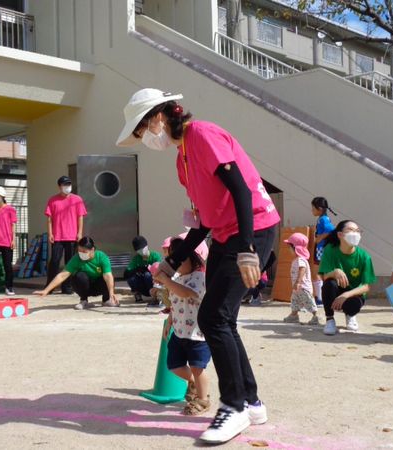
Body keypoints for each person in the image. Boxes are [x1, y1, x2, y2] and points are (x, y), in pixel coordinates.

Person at [117, 88, 280, 444]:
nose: (144, 138)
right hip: (223, 234)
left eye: (142, 130)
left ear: (158, 118)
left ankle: (233, 407)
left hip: (253, 227)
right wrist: (173, 260)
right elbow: (203, 221)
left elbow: (240, 189)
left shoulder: (202, 134)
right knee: (223, 319)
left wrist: (249, 249)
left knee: (212, 318)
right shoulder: (182, 157)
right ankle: (251, 402)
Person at [155, 237, 211, 416]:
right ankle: (193, 383)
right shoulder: (177, 278)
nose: (178, 264)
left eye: (182, 259)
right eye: (175, 260)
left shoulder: (200, 277)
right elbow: (175, 301)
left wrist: (166, 280)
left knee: (197, 367)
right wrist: (169, 322)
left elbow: (186, 293)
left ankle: (203, 399)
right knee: (174, 365)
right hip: (179, 332)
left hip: (197, 335)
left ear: (194, 258)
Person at [318, 220, 377, 335]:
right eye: (350, 230)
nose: (355, 233)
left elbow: (366, 286)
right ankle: (330, 319)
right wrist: (334, 272)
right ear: (340, 234)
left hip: (353, 293)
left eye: (357, 231)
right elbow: (324, 276)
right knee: (329, 284)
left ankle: (350, 315)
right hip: (336, 289)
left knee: (353, 305)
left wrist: (346, 295)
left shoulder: (364, 257)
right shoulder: (330, 250)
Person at [34, 236, 119, 309]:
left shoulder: (101, 256)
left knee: (110, 277)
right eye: (79, 251)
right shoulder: (76, 258)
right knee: (79, 276)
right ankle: (84, 300)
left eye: (84, 252)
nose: (81, 254)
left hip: (98, 287)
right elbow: (62, 275)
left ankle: (106, 300)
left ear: (92, 250)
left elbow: (107, 275)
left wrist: (111, 293)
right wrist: (46, 290)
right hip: (85, 287)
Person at [45, 176, 87, 295]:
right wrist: (50, 233)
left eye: (69, 184)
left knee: (70, 263)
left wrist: (79, 233)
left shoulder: (77, 199)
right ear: (59, 186)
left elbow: (80, 217)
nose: (67, 187)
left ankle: (67, 287)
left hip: (72, 236)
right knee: (54, 261)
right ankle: (50, 286)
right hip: (57, 236)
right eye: (65, 185)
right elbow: (49, 218)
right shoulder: (53, 200)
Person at [281, 233, 319, 325]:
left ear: (295, 248)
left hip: (303, 287)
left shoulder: (300, 260)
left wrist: (298, 282)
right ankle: (294, 315)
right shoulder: (297, 259)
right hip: (298, 287)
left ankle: (316, 316)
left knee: (308, 301)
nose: (289, 249)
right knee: (294, 301)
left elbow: (302, 269)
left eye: (290, 247)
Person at [311, 197, 336, 306]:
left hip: (322, 249)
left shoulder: (323, 219)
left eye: (313, 208)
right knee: (320, 273)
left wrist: (320, 238)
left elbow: (331, 229)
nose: (311, 210)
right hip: (321, 248)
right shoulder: (323, 218)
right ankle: (321, 297)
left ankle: (321, 299)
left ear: (319, 209)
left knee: (318, 273)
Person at [125, 235, 162, 303]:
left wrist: (147, 269)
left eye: (142, 248)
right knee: (130, 278)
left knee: (147, 274)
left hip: (154, 284)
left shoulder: (155, 256)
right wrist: (137, 269)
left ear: (147, 246)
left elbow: (160, 270)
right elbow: (127, 273)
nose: (141, 251)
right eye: (139, 250)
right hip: (142, 286)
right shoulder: (136, 259)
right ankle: (137, 294)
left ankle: (155, 296)